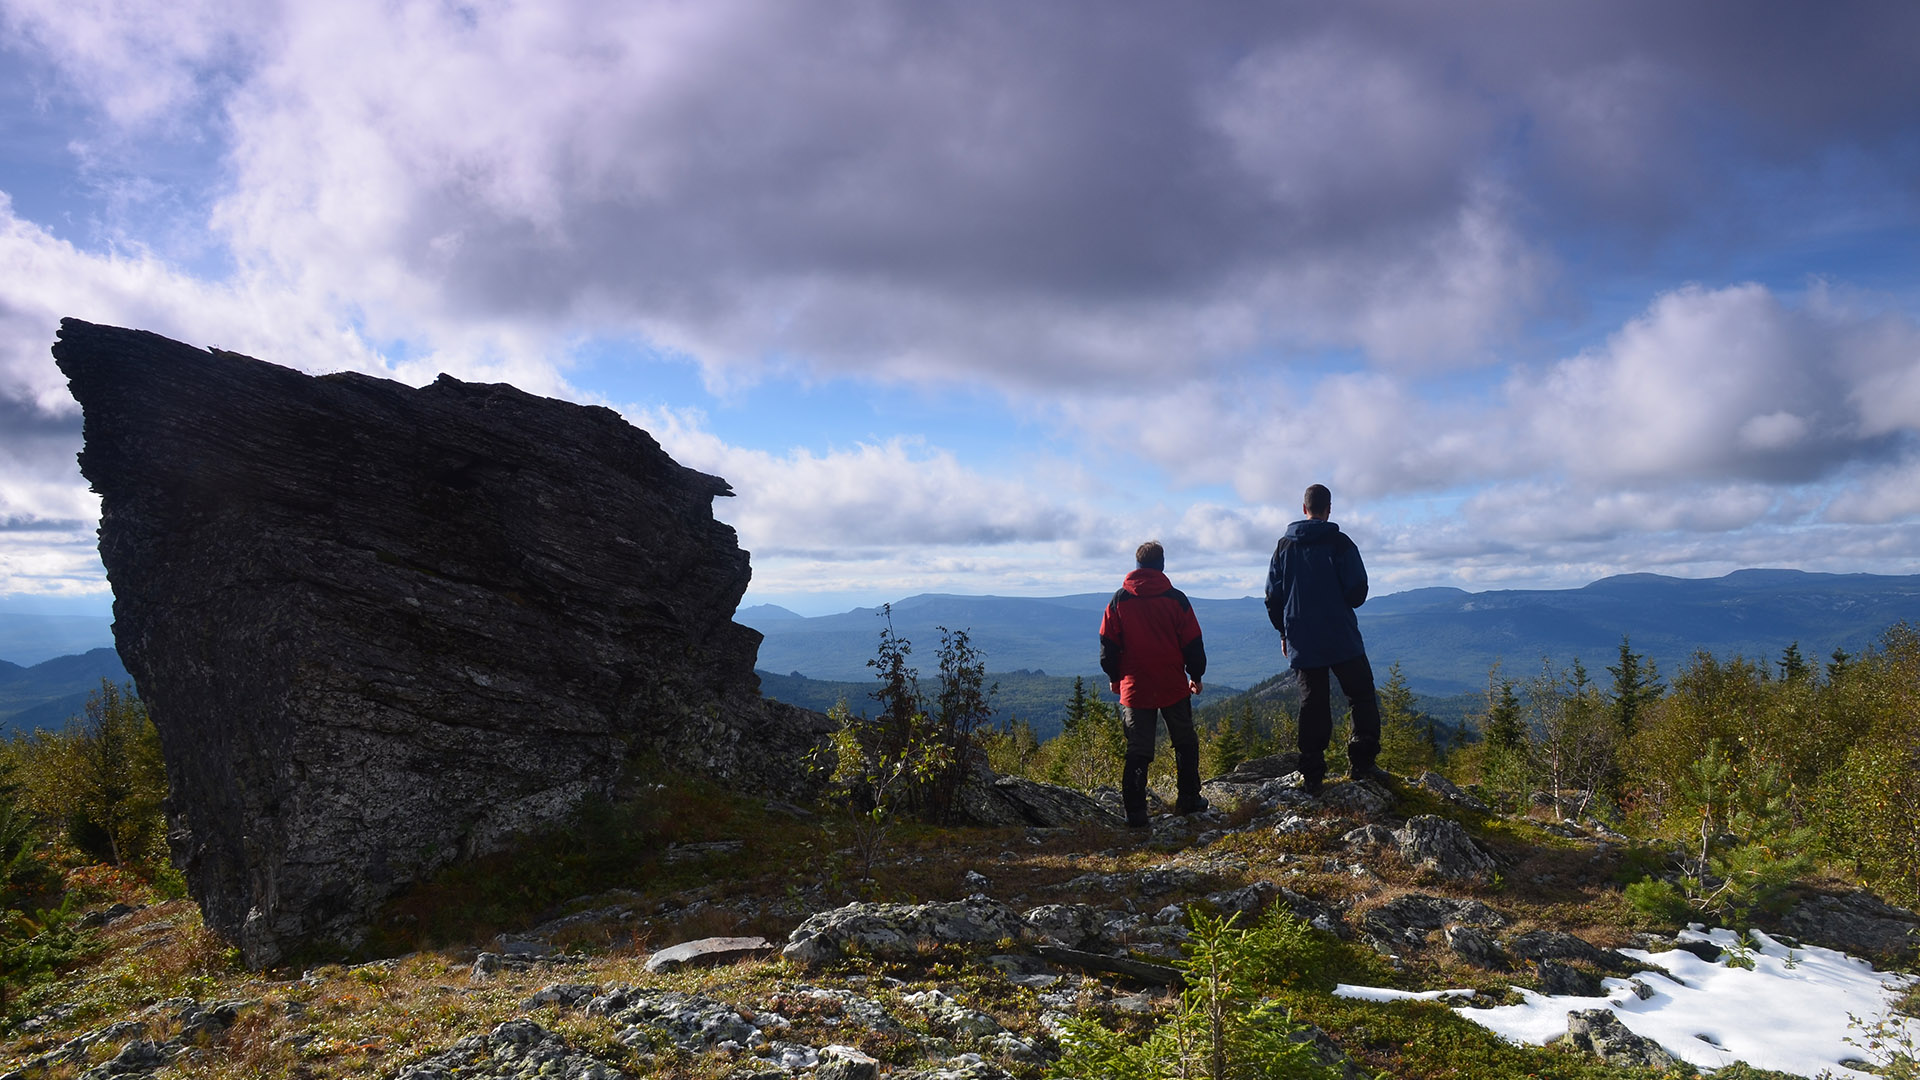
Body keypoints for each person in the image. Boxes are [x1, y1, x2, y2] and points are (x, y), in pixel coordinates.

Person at [1264, 484, 1387, 794]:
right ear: (1328, 508)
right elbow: (1358, 590)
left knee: (1312, 704)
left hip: (1302, 638)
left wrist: (1283, 632)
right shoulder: (1340, 542)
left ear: (1304, 509)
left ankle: (1313, 774)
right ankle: (1362, 763)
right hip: (1341, 634)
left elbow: (1272, 596)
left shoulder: (1283, 547)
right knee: (1360, 696)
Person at [1099, 540, 1208, 828]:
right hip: (1172, 682)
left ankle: (1135, 813)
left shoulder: (1119, 600)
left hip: (1135, 686)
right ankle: (1188, 798)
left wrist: (1114, 678)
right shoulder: (1176, 599)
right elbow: (1193, 642)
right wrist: (1195, 676)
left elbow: (1108, 644)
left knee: (1138, 750)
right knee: (1184, 741)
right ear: (1161, 565)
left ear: (1137, 566)